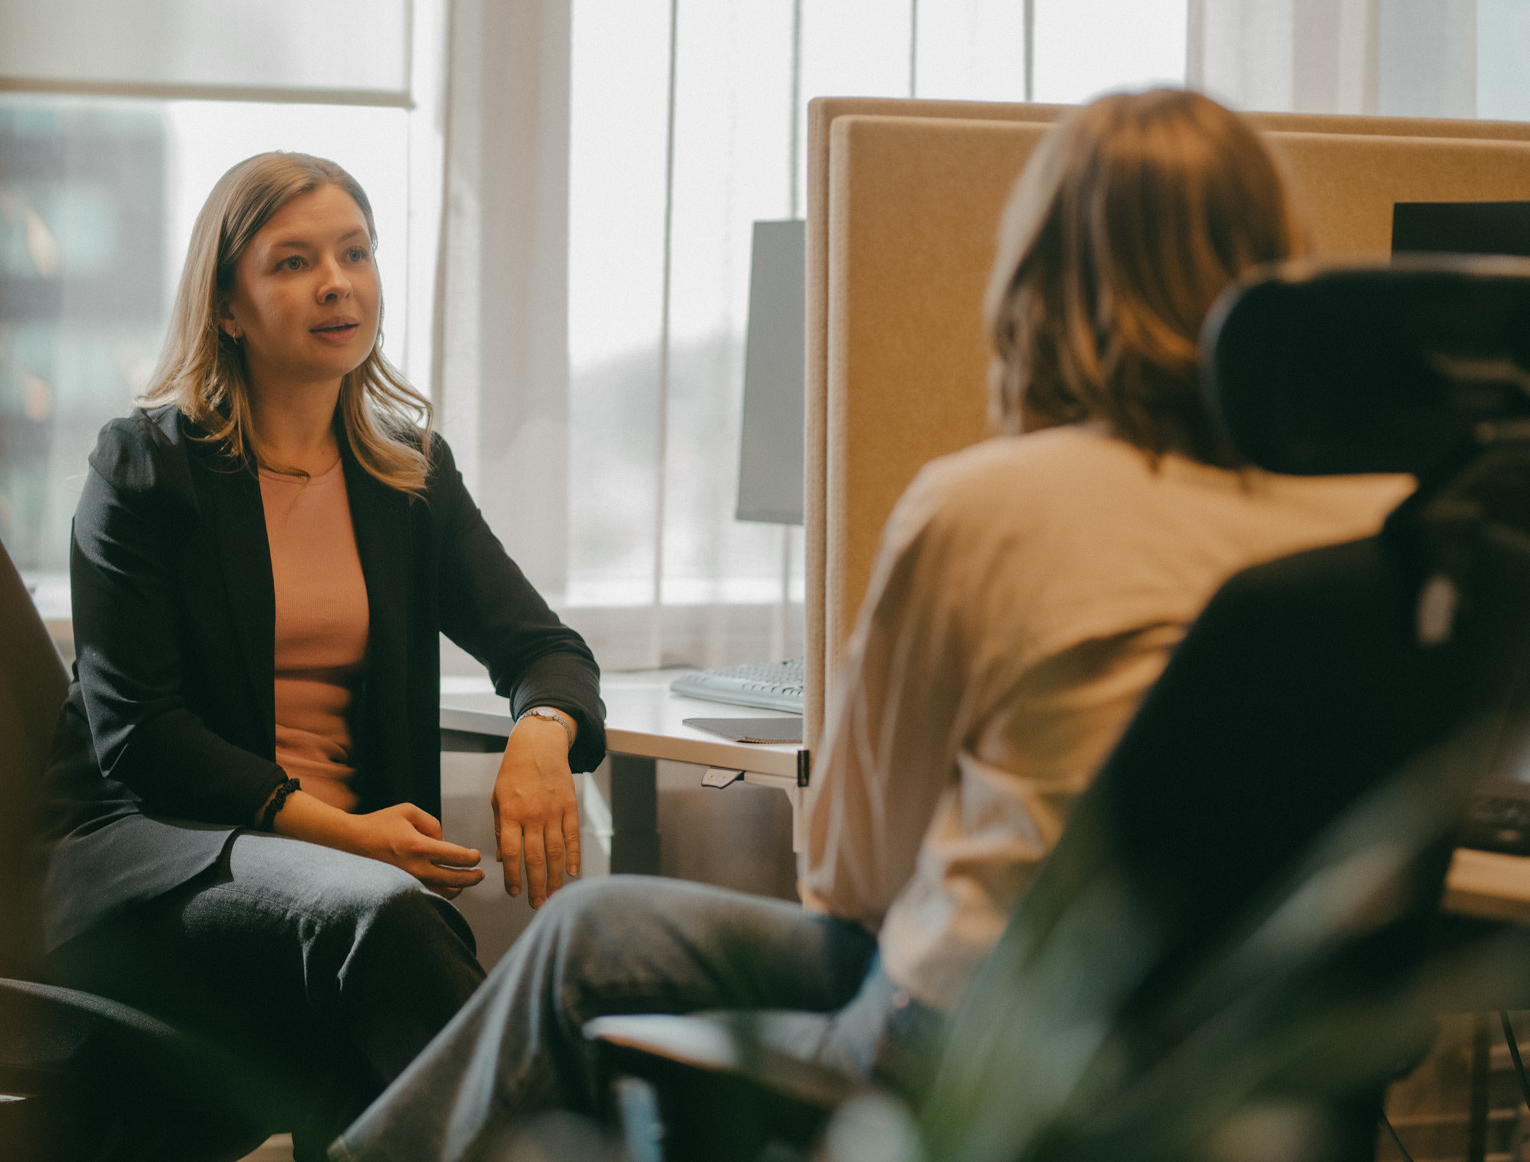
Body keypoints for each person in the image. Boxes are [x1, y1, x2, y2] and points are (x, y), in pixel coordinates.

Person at [329, 89, 1414, 1162]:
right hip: (1258, 1041)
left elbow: (850, 873)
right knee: (586, 927)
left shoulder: (988, 504)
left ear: (1039, 277)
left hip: (976, 1052)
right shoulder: (1392, 515)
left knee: (582, 940)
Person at [35, 152, 607, 1159]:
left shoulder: (406, 474)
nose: (336, 281)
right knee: (387, 923)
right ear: (226, 306)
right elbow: (142, 738)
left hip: (345, 885)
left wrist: (541, 734)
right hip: (160, 855)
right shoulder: (144, 467)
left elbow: (541, 647)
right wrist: (345, 835)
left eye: (354, 252)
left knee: (401, 961)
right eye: (293, 261)